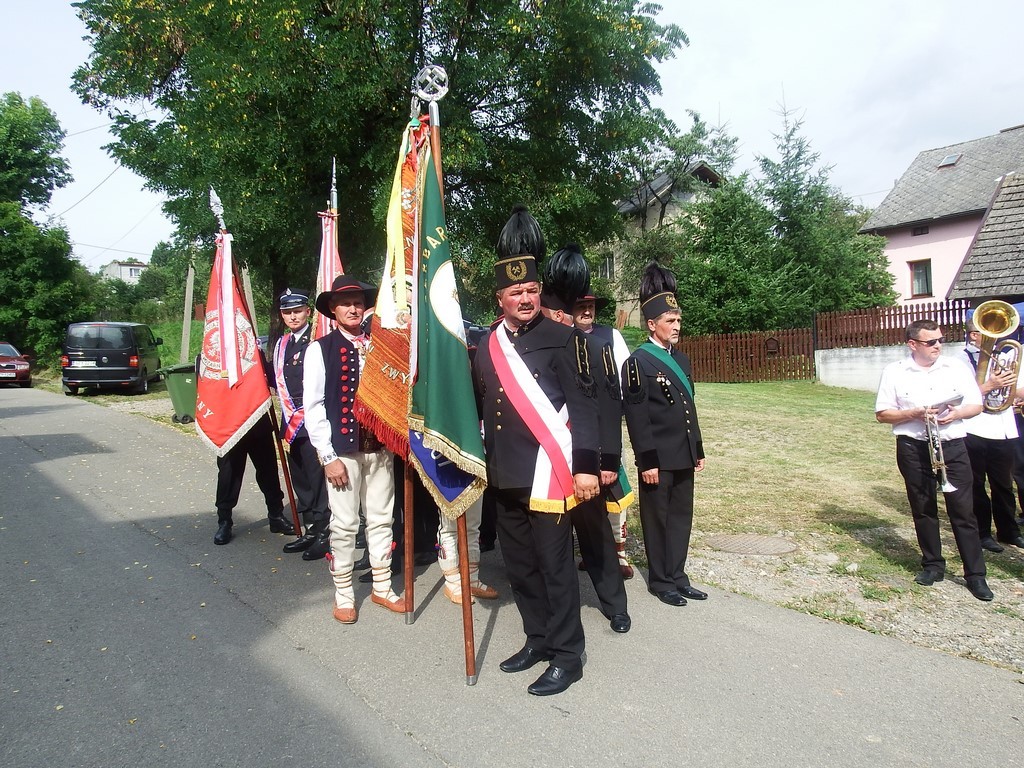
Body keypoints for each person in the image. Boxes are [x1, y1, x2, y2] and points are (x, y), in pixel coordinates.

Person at [472, 205, 600, 696]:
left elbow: (585, 407)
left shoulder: (564, 338)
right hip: (505, 474)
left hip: (549, 474)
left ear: (539, 291)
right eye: (515, 292)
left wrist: (587, 468)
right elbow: (479, 405)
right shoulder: (487, 344)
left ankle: (568, 655)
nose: (524, 299)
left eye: (531, 290)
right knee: (521, 567)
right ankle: (538, 638)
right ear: (500, 298)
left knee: (555, 567)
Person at [303, 275, 407, 624]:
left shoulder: (379, 346)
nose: (353, 309)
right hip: (342, 453)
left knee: (381, 519)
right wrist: (327, 456)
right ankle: (344, 594)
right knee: (346, 524)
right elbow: (313, 407)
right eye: (345, 304)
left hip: (380, 449)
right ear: (333, 310)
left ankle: (382, 587)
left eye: (358, 303)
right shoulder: (320, 349)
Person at [541, 243, 630, 633]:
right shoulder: (529, 345)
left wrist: (607, 460)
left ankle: (615, 604)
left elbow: (609, 402)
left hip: (585, 459)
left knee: (595, 535)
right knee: (549, 543)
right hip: (545, 462)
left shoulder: (592, 345)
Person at [875, 319, 992, 600]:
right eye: (931, 342)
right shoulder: (895, 371)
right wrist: (913, 413)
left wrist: (957, 413)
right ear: (912, 344)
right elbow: (882, 414)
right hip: (913, 446)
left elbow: (976, 405)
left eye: (940, 340)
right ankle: (932, 565)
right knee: (923, 507)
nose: (938, 345)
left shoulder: (956, 367)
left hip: (952, 445)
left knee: (963, 510)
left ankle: (975, 575)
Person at [621, 262, 707, 607]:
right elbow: (637, 418)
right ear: (651, 324)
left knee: (681, 517)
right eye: (670, 321)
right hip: (657, 458)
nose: (677, 326)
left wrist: (697, 448)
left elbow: (689, 408)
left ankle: (678, 575)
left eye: (678, 320)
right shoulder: (638, 362)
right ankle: (660, 580)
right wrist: (647, 462)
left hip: (683, 453)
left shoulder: (682, 361)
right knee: (657, 520)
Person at [572, 261, 635, 580]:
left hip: (606, 424)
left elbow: (624, 379)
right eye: (581, 306)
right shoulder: (564, 337)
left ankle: (619, 553)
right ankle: (591, 551)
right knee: (583, 491)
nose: (587, 311)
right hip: (575, 429)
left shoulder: (611, 336)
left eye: (591, 306)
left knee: (614, 487)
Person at [271, 288, 332, 560]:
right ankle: (310, 529)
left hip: (311, 420)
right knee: (301, 478)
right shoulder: (282, 344)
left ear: (308, 311)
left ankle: (324, 532)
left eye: (297, 311)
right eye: (287, 312)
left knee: (317, 479)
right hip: (290, 422)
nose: (293, 316)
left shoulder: (316, 339)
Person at [959, 317, 1024, 551]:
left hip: (1003, 427)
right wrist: (989, 386)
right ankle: (983, 532)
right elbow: (958, 396)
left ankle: (1009, 531)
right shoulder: (959, 361)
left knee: (1003, 484)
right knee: (976, 483)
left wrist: (1011, 390)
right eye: (987, 331)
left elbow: (1017, 389)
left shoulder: (1007, 356)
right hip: (974, 427)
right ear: (974, 335)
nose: (996, 336)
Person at [212, 409, 296, 545]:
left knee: (268, 470)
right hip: (229, 425)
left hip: (256, 417)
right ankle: (224, 521)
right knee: (228, 475)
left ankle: (276, 515)